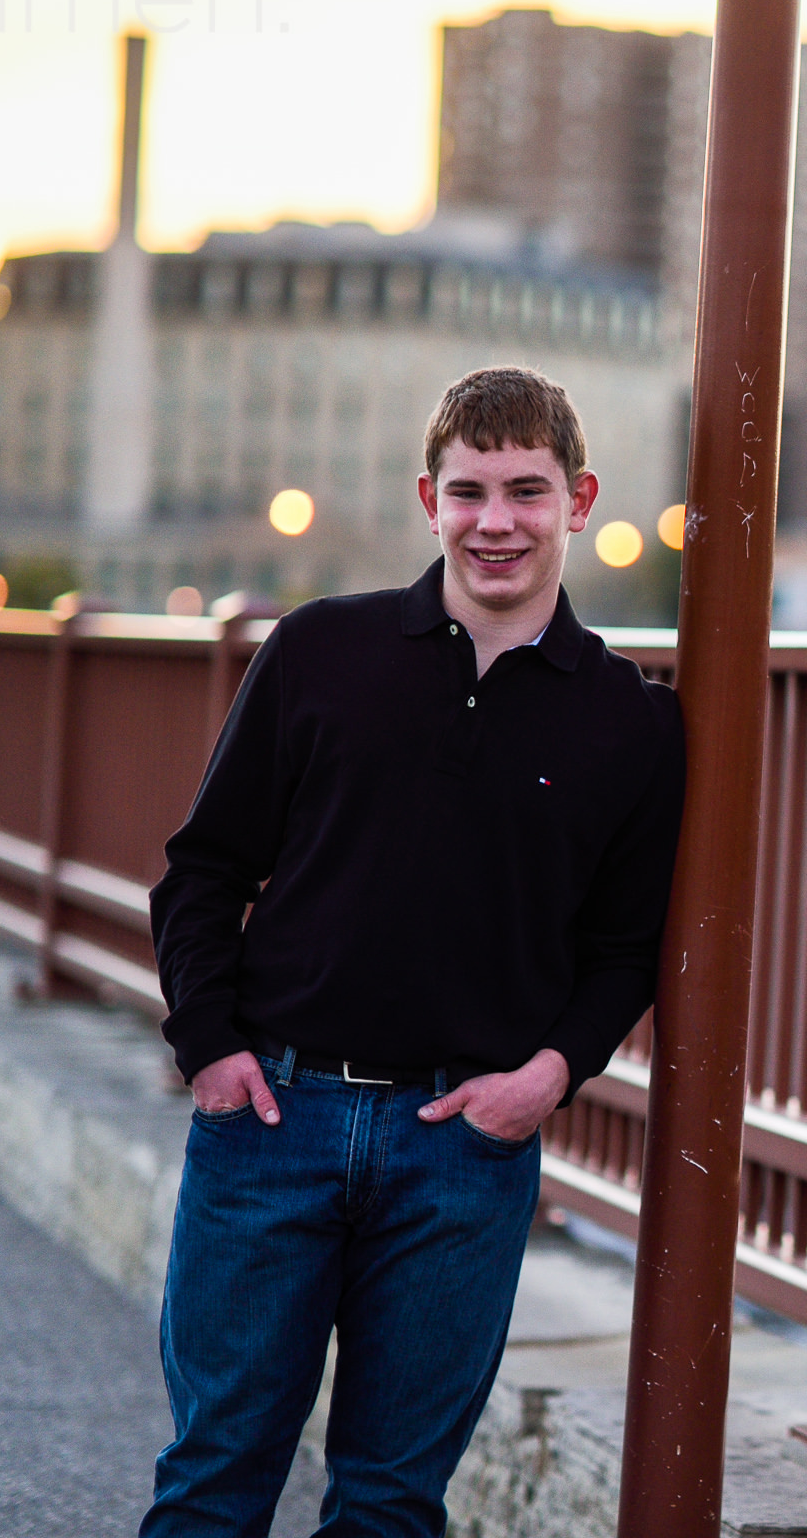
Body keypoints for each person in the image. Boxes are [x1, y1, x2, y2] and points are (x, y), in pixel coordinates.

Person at [141, 365, 686, 1536]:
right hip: (271, 1123)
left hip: (463, 1151)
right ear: (427, 499)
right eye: (470, 491)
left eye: (527, 492)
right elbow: (205, 868)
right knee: (214, 1477)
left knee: (391, 1503)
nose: (497, 523)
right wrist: (212, 1050)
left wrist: (550, 1077)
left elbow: (627, 946)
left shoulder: (632, 721)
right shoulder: (320, 652)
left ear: (579, 499)